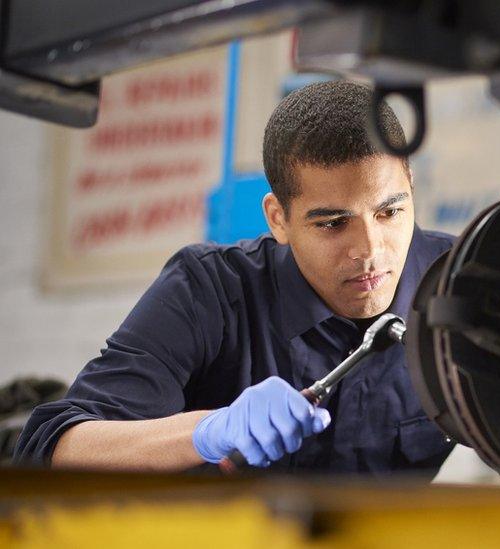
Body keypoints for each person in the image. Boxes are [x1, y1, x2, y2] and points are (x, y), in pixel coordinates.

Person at [14, 81, 456, 477]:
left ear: (411, 186)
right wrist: (208, 432)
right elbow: (51, 451)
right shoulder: (207, 291)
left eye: (389, 212)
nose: (370, 250)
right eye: (332, 224)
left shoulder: (463, 285)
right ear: (278, 219)